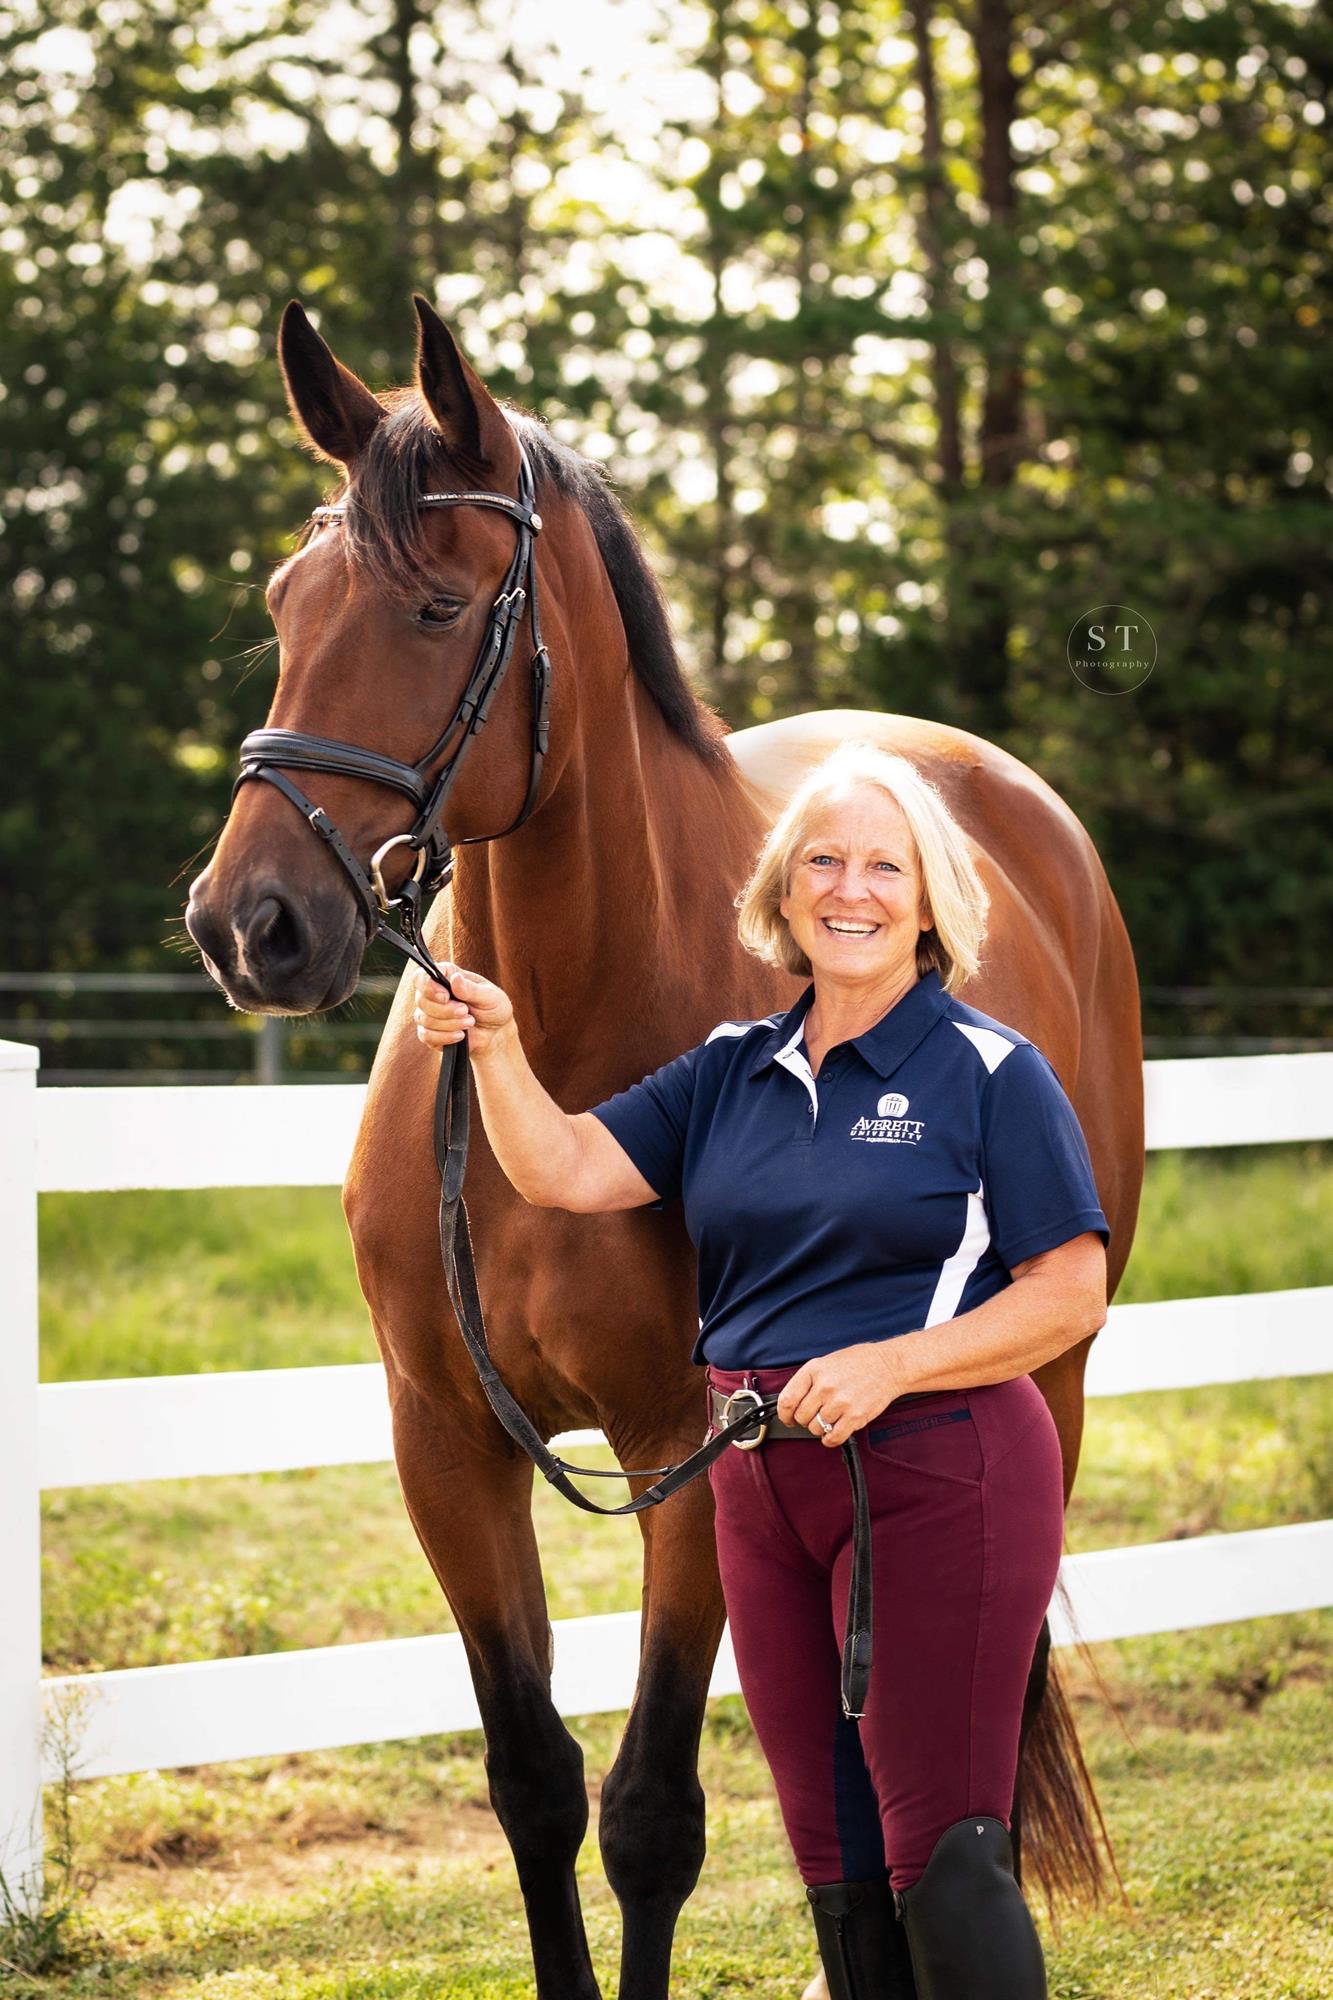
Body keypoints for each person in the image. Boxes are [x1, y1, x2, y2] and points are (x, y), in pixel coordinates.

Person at [412, 740, 1109, 1999]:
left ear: (932, 896)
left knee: (944, 1851)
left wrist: (894, 1361)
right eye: (823, 861)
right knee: (835, 1860)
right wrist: (498, 1045)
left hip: (942, 1470)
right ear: (782, 893)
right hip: (763, 1493)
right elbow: (565, 1168)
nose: (851, 888)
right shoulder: (731, 1068)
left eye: (884, 865)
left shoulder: (990, 1071)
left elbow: (1069, 1290)